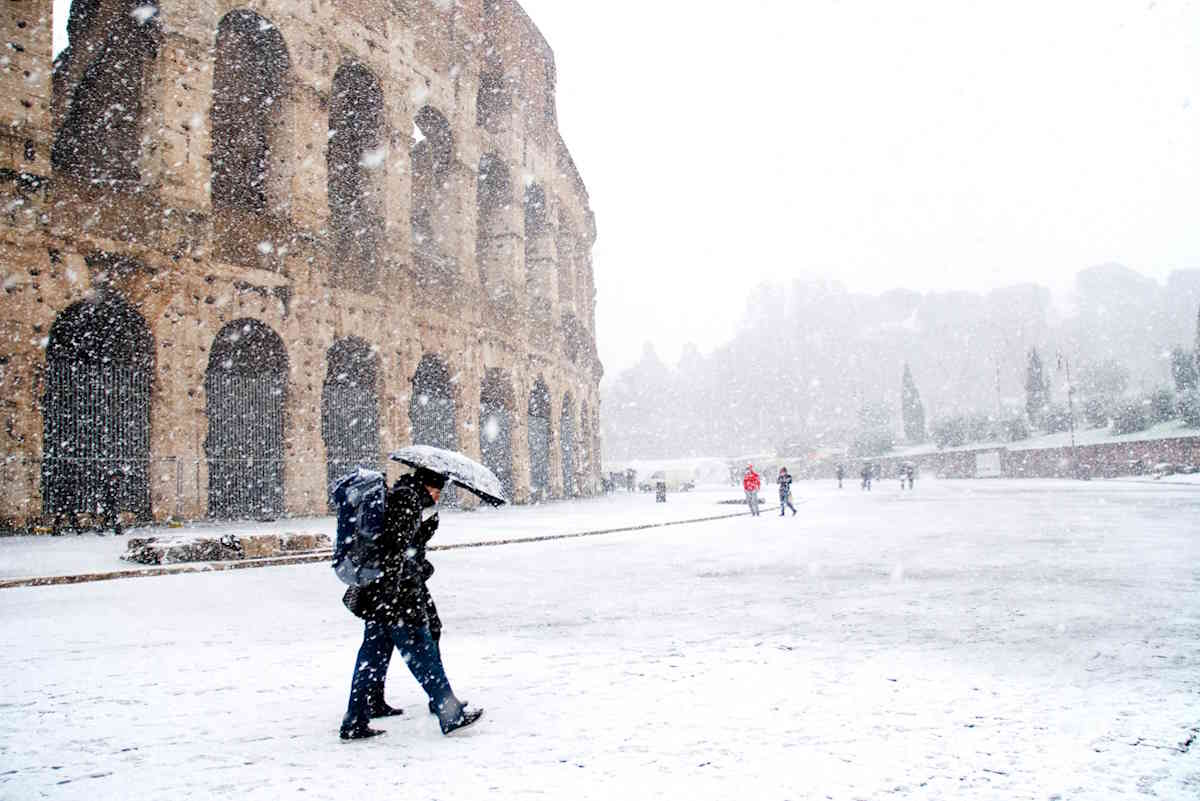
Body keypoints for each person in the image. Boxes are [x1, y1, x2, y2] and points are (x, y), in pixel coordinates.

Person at [339, 467, 483, 740]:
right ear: (428, 486)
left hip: (381, 594)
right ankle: (450, 714)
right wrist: (394, 593)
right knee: (421, 652)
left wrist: (424, 529)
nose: (438, 497)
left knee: (371, 657)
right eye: (437, 491)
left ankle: (355, 720)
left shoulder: (402, 497)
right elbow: (397, 551)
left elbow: (398, 545)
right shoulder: (407, 501)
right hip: (397, 596)